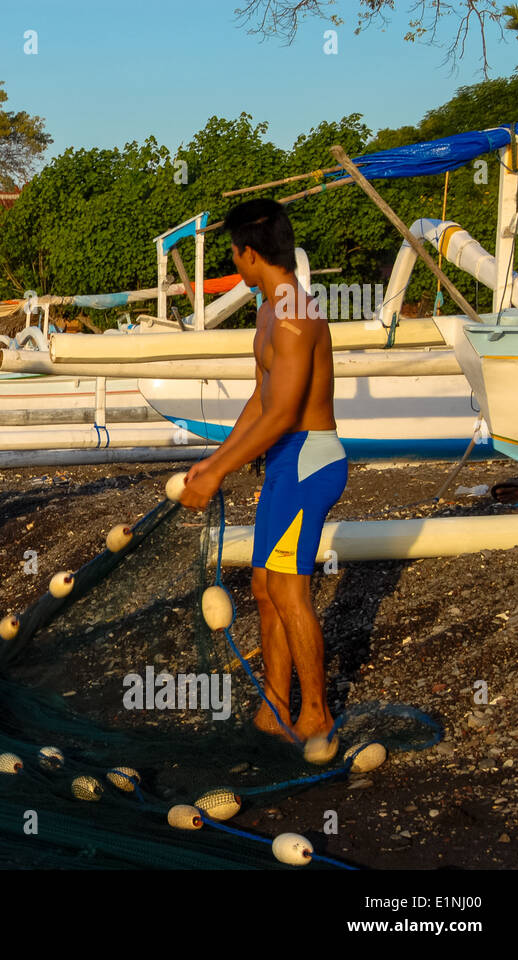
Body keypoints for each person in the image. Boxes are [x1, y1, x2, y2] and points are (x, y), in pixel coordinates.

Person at [178, 199, 346, 746]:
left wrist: (216, 474)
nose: (235, 262)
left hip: (309, 458)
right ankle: (275, 707)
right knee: (264, 585)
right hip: (284, 461)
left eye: (233, 253)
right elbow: (260, 398)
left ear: (250, 252)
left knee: (289, 590)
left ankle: (316, 714)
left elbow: (284, 410)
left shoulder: (296, 312)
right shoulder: (268, 309)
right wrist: (214, 459)